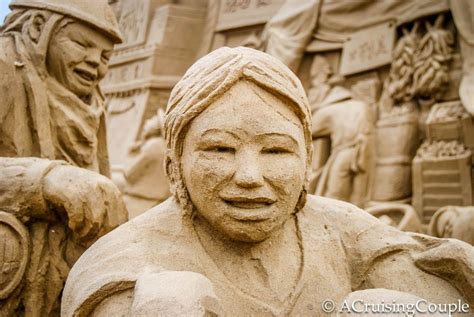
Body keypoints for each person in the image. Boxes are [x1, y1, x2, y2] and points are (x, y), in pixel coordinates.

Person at [62, 47, 473, 316]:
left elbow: (451, 298)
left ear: (307, 161)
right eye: (219, 150)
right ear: (175, 164)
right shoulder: (126, 263)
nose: (249, 177)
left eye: (276, 151)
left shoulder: (346, 233)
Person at [0, 1, 127, 315]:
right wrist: (44, 181)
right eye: (81, 44)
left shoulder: (91, 101)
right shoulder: (4, 67)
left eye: (105, 56)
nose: (94, 63)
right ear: (37, 27)